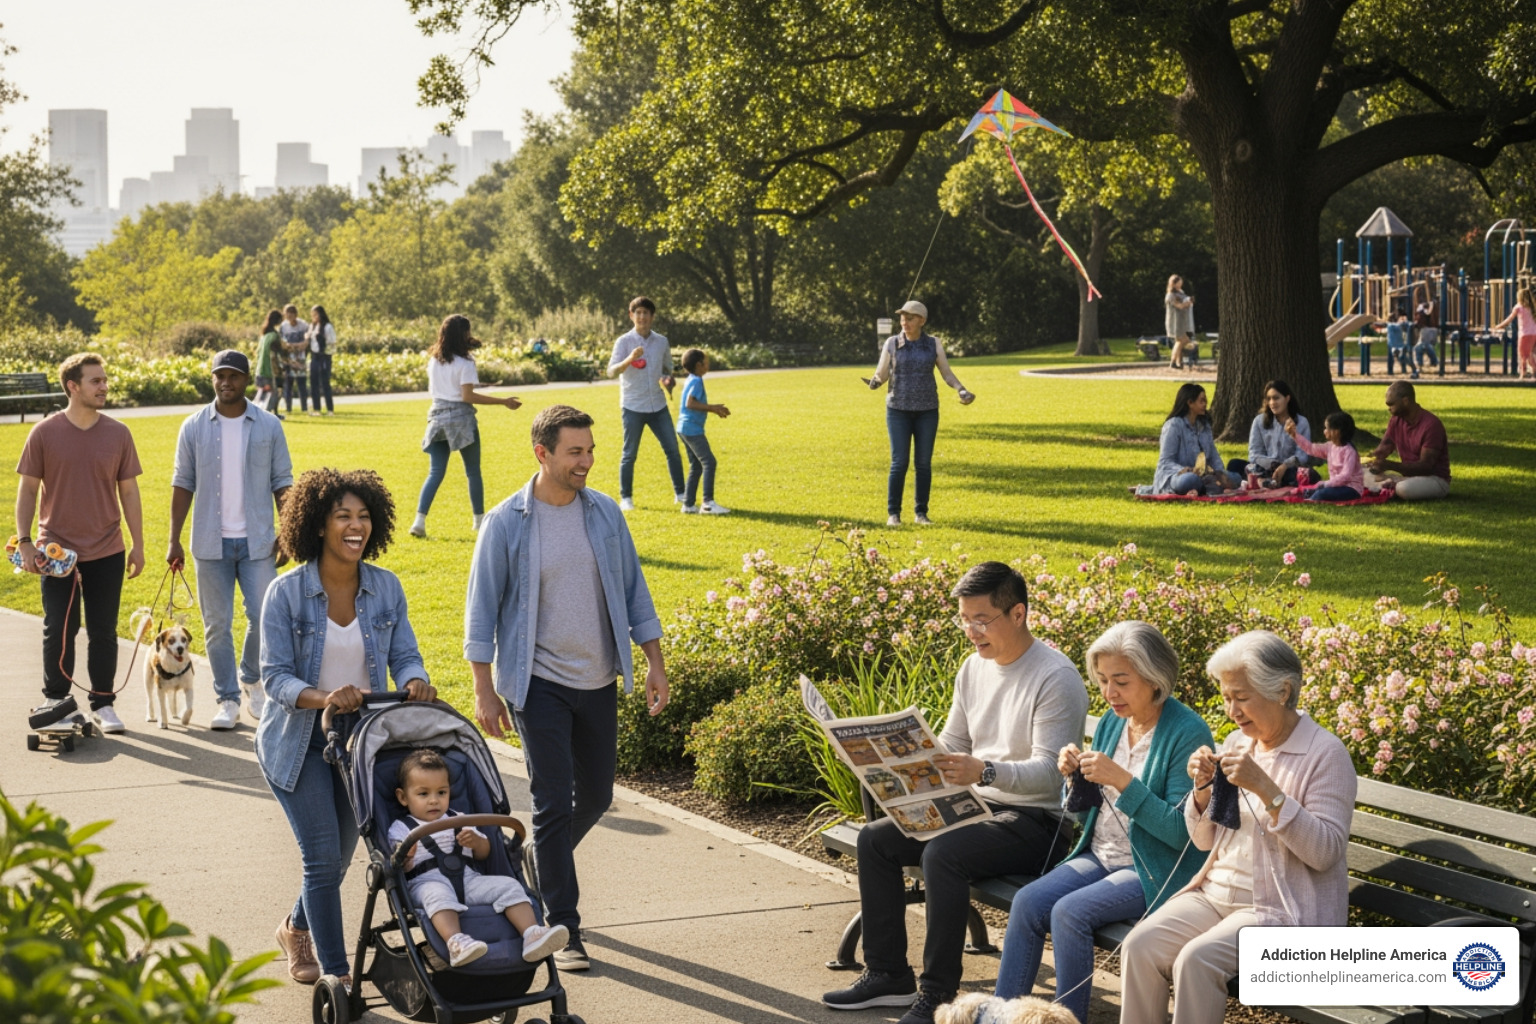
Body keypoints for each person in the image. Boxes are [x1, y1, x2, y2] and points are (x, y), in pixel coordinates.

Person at [822, 561, 1088, 1024]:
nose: (971, 632)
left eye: (981, 620)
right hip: (976, 804)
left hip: (1037, 822)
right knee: (876, 840)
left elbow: (1050, 776)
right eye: (964, 620)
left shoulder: (1055, 677)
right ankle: (888, 975)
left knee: (944, 854)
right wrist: (894, 759)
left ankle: (937, 997)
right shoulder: (974, 667)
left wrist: (983, 772)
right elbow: (955, 745)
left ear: (1018, 613)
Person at [465, 404, 670, 971]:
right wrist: (484, 688)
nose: (587, 461)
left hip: (598, 676)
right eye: (575, 452)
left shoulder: (604, 513)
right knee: (553, 800)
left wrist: (654, 660)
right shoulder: (508, 521)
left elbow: (635, 591)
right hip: (537, 682)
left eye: (590, 450)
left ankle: (537, 858)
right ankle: (564, 925)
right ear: (543, 454)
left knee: (598, 795)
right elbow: (480, 610)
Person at [1120, 631, 1355, 1024]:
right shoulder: (1237, 743)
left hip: (1279, 910)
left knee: (1197, 961)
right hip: (1214, 895)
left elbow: (1326, 852)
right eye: (1227, 698)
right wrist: (1200, 791)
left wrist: (1266, 788)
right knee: (1140, 945)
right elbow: (1202, 838)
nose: (1232, 711)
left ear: (1282, 691)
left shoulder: (1325, 754)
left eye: (1241, 697)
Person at [259, 468, 436, 987]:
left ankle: (294, 925)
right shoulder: (286, 593)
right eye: (343, 517)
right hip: (298, 741)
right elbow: (275, 678)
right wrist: (325, 698)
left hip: (361, 740)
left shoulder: (385, 588)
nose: (355, 526)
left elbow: (405, 654)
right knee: (321, 858)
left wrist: (415, 679)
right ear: (318, 525)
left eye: (363, 517)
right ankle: (338, 978)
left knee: (338, 857)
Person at [994, 622, 1212, 1023]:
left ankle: (1063, 1020)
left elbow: (1184, 834)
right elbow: (1083, 810)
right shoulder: (1115, 721)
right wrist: (1072, 777)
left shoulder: (1187, 731)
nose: (1110, 693)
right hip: (1099, 855)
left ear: (1154, 679)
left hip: (1150, 869)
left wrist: (1123, 781)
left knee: (1069, 913)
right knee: (1028, 902)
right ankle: (1002, 1016)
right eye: (1103, 680)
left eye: (1121, 682)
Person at [15, 352, 145, 736]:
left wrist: (137, 544)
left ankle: (103, 704)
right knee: (59, 627)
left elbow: (130, 492)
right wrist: (25, 542)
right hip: (56, 552)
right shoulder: (44, 433)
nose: (104, 386)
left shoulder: (118, 433)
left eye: (104, 380)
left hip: (107, 547)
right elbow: (27, 492)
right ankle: (56, 700)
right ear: (73, 386)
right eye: (96, 381)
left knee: (104, 630)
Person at [168, 350, 293, 729]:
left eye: (234, 376)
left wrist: (287, 532)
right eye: (219, 376)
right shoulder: (193, 426)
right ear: (213, 380)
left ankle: (251, 678)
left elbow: (283, 482)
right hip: (210, 543)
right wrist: (173, 540)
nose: (226, 382)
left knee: (264, 615)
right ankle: (227, 699)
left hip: (258, 543)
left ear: (247, 379)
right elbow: (182, 484)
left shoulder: (269, 426)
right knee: (216, 625)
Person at [389, 748, 568, 967]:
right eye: (423, 794)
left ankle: (531, 934)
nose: (434, 801)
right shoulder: (400, 828)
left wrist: (476, 842)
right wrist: (407, 855)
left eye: (441, 793)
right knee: (437, 894)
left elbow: (484, 853)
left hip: (468, 879)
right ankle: (456, 942)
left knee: (509, 885)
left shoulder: (460, 819)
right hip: (426, 881)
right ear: (403, 797)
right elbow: (399, 867)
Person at [410, 314, 521, 539]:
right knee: (473, 472)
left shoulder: (434, 360)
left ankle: (419, 521)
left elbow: (442, 390)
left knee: (435, 472)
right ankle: (479, 522)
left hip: (437, 417)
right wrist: (503, 401)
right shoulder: (466, 362)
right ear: (463, 334)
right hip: (461, 419)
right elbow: (467, 396)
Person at [865, 300, 974, 527]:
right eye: (902, 318)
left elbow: (947, 373)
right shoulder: (892, 343)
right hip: (898, 410)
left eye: (910, 318)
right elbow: (881, 373)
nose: (905, 322)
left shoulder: (933, 344)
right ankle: (893, 514)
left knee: (923, 463)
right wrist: (875, 382)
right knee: (899, 462)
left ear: (922, 321)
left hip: (927, 411)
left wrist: (961, 389)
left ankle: (921, 513)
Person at [607, 296, 686, 512]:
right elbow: (611, 372)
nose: (642, 317)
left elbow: (667, 370)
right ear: (631, 316)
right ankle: (626, 498)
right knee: (629, 454)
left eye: (646, 313)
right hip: (632, 406)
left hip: (658, 406)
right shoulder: (624, 342)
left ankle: (681, 495)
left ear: (652, 317)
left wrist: (669, 381)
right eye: (638, 313)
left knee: (672, 450)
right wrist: (629, 359)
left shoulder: (661, 341)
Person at [1363, 381, 1450, 501]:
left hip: (1434, 480)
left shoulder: (1431, 425)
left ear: (1405, 401)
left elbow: (1426, 466)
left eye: (1391, 404)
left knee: (1404, 489)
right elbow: (1383, 450)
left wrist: (1390, 465)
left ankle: (1387, 487)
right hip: (1407, 478)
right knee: (1361, 475)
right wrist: (1366, 461)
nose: (1389, 408)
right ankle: (1387, 485)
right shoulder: (1396, 421)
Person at [1153, 384, 1238, 496]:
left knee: (1236, 478)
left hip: (1204, 476)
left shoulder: (1204, 425)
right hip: (1176, 476)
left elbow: (1213, 455)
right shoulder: (1173, 426)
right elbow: (1165, 462)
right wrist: (1187, 470)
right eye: (1201, 401)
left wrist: (1221, 474)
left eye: (1205, 401)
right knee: (1190, 480)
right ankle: (1208, 487)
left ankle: (1205, 488)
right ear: (1190, 403)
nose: (1205, 404)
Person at [677, 348, 731, 515]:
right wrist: (713, 408)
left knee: (696, 465)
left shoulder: (691, 379)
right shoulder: (697, 381)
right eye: (706, 361)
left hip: (684, 428)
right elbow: (690, 403)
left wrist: (713, 409)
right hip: (691, 429)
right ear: (699, 365)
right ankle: (708, 503)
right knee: (709, 462)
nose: (708, 363)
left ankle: (688, 504)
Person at [1228, 379, 1311, 486]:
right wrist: (1273, 465)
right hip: (1264, 468)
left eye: (1276, 398)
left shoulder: (1301, 422)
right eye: (1269, 399)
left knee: (1301, 474)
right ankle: (1266, 481)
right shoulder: (1259, 421)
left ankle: (1263, 482)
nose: (1272, 403)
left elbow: (1302, 456)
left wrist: (1284, 466)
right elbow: (1254, 454)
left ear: (1287, 398)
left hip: (1288, 469)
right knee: (1234, 464)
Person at [1286, 412, 1363, 503]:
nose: (1324, 431)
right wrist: (1295, 435)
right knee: (1315, 490)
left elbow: (1345, 476)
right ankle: (1312, 495)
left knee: (1322, 493)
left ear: (1336, 431)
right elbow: (1310, 448)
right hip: (1336, 486)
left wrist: (1326, 484)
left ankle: (1312, 499)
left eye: (1326, 428)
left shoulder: (1349, 452)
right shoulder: (1330, 446)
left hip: (1351, 489)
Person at [1492, 286, 1536, 380]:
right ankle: (1533, 373)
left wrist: (1499, 326)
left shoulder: (1519, 307)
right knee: (1530, 353)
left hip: (1524, 333)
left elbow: (1509, 319)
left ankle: (1522, 374)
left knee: (1523, 354)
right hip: (1533, 333)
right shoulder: (1532, 308)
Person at [278, 304, 310, 415]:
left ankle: (304, 407)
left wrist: (304, 343)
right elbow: (281, 341)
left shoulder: (303, 325)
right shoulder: (283, 326)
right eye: (287, 313)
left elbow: (308, 337)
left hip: (300, 357)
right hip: (288, 358)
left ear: (296, 314)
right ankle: (288, 408)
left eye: (292, 313)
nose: (289, 316)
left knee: (302, 383)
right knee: (288, 383)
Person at [306, 304, 337, 415]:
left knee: (325, 383)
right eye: (312, 315)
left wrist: (324, 344)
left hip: (324, 357)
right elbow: (308, 338)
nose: (313, 317)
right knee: (313, 383)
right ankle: (316, 409)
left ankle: (330, 409)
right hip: (314, 356)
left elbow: (332, 342)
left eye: (315, 314)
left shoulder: (327, 327)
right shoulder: (312, 326)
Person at [255, 310, 283, 418]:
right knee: (274, 393)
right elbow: (278, 351)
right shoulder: (274, 335)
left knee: (262, 393)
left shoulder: (264, 335)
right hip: (269, 369)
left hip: (259, 369)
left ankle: (269, 414)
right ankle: (270, 414)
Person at [1164, 277, 1195, 370]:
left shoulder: (1181, 292)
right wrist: (1186, 304)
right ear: (1174, 283)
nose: (1180, 285)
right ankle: (1173, 362)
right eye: (1179, 283)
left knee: (1181, 340)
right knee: (1181, 340)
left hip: (1182, 321)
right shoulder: (1170, 295)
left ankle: (1178, 362)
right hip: (1175, 321)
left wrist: (1189, 301)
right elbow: (1178, 306)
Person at [1373, 312, 1416, 379]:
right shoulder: (1400, 325)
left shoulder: (1389, 326)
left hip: (1392, 345)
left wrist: (1375, 324)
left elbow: (1382, 327)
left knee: (1392, 358)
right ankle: (1408, 369)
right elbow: (1409, 325)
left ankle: (1390, 371)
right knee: (1403, 358)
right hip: (1399, 345)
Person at [1413, 293, 1440, 373]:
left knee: (1421, 347)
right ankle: (1430, 362)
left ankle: (1431, 362)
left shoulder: (1426, 308)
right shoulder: (1428, 306)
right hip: (1428, 330)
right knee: (1423, 347)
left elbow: (1427, 313)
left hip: (1428, 330)